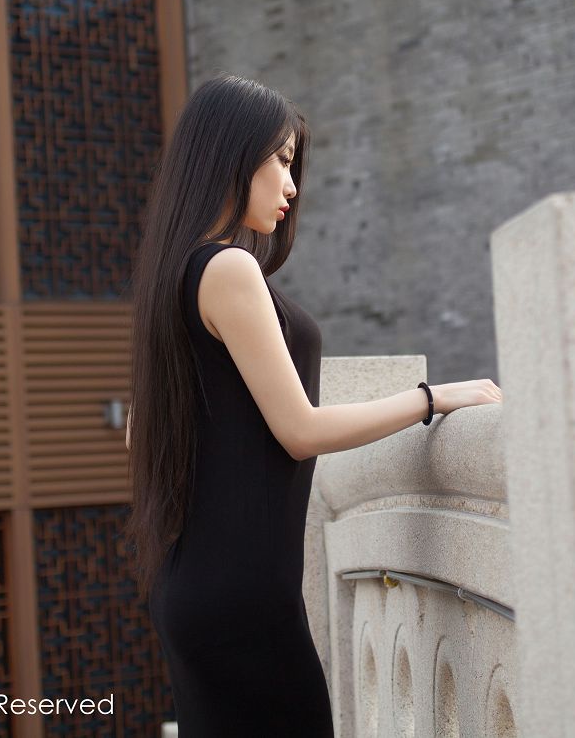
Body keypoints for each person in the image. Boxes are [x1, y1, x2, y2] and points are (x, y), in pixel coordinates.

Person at [124, 73, 502, 737]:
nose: (292, 186)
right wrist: (431, 397)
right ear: (231, 154)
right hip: (243, 598)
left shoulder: (173, 276)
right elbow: (299, 429)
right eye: (281, 160)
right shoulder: (227, 268)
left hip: (198, 588)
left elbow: (140, 431)